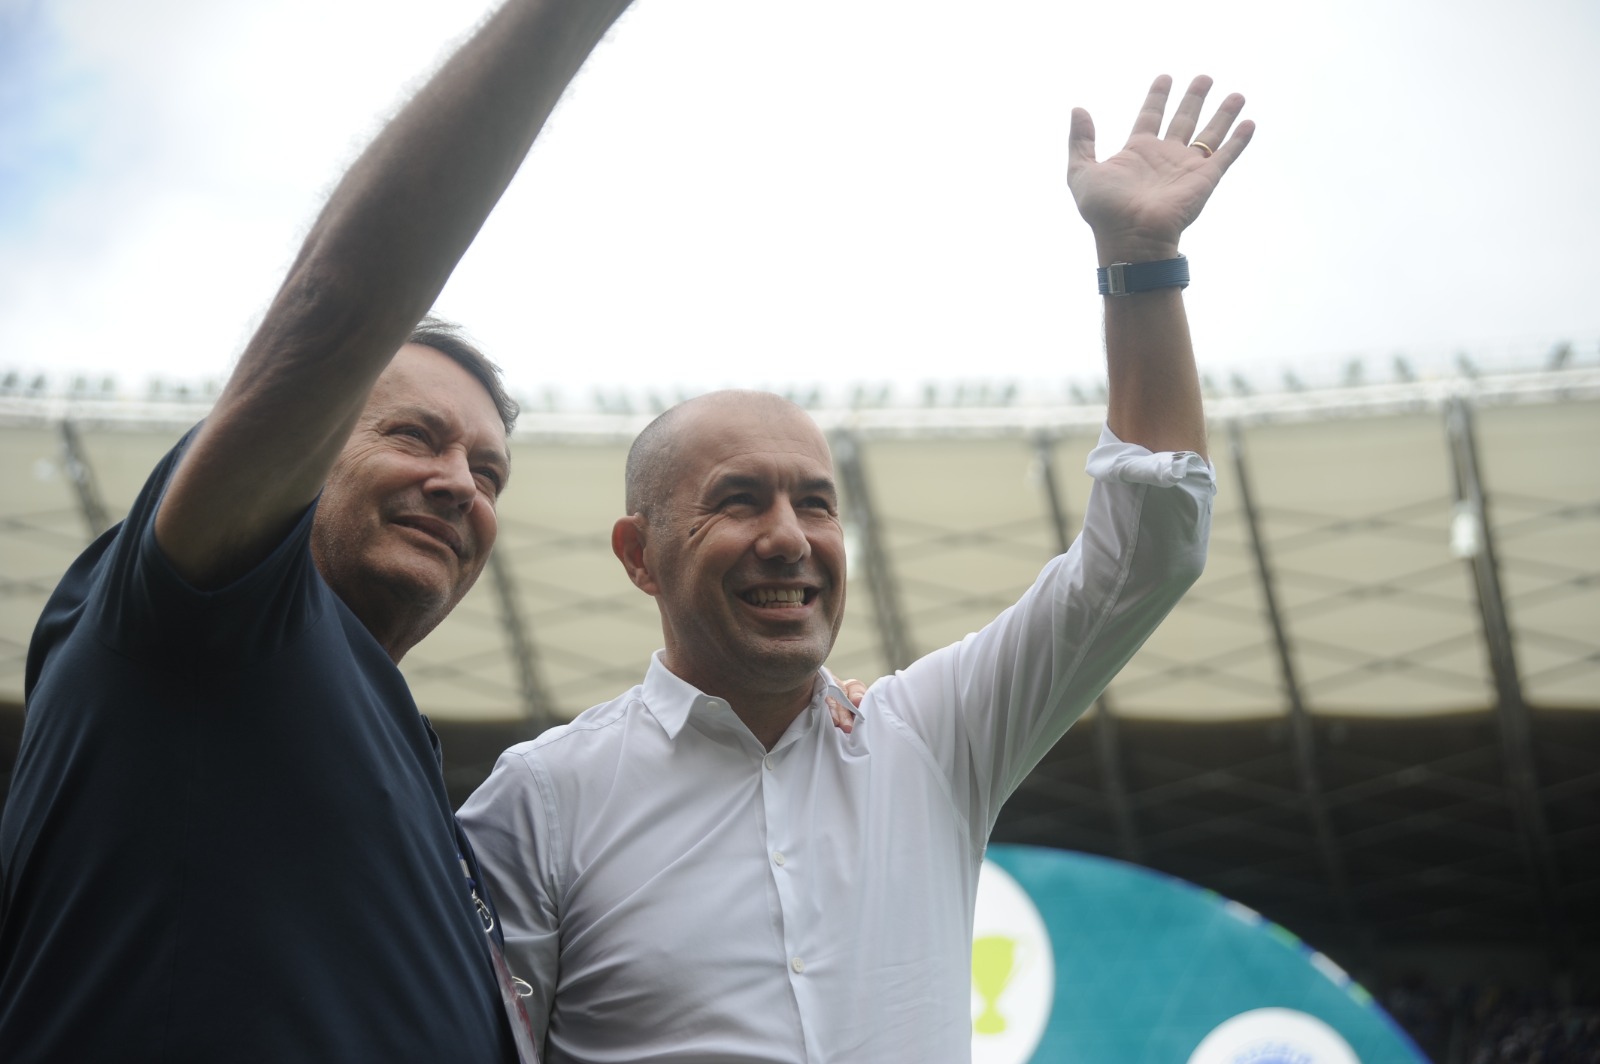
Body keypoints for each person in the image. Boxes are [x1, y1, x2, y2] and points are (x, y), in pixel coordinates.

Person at [458, 74, 1254, 1063]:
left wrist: (1140, 264)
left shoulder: (930, 738)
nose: (790, 535)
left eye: (817, 502)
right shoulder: (538, 800)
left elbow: (1147, 545)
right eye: (739, 499)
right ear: (639, 556)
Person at [0, 2, 635, 1061]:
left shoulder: (399, 758)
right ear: (307, 451)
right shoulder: (208, 611)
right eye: (413, 435)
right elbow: (333, 311)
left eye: (488, 471)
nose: (457, 485)